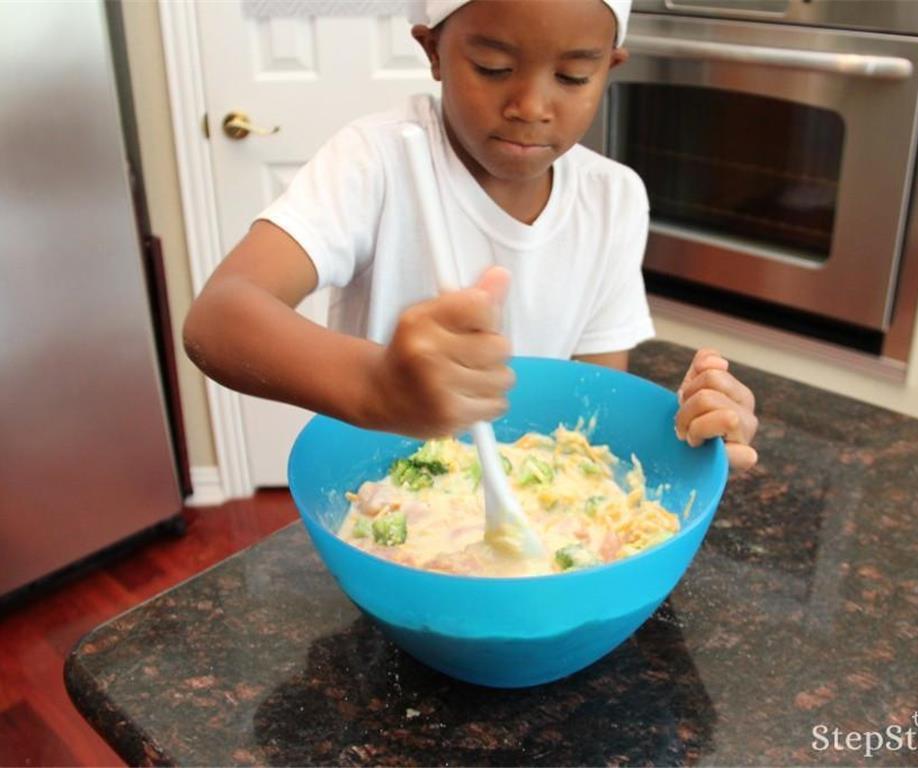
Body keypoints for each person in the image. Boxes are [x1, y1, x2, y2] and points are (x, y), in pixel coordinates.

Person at [183, 0, 759, 471]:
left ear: (610, 67)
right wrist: (377, 385)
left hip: (534, 494)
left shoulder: (614, 198)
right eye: (492, 67)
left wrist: (690, 431)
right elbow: (218, 319)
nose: (531, 106)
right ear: (433, 50)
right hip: (376, 485)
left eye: (572, 76)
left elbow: (593, 403)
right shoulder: (376, 162)